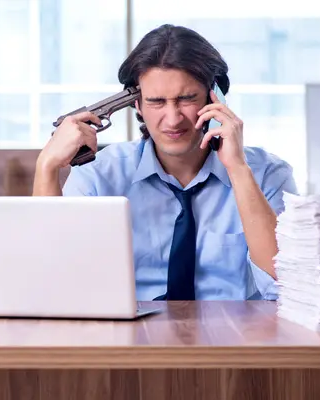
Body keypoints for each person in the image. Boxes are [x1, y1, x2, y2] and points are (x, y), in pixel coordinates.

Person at [32, 24, 298, 301]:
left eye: (186, 99)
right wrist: (47, 166)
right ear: (137, 105)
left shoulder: (268, 174)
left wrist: (238, 169)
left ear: (214, 96)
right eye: (157, 102)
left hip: (234, 334)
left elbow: (286, 285)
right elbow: (50, 277)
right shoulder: (98, 175)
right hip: (128, 337)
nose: (172, 119)